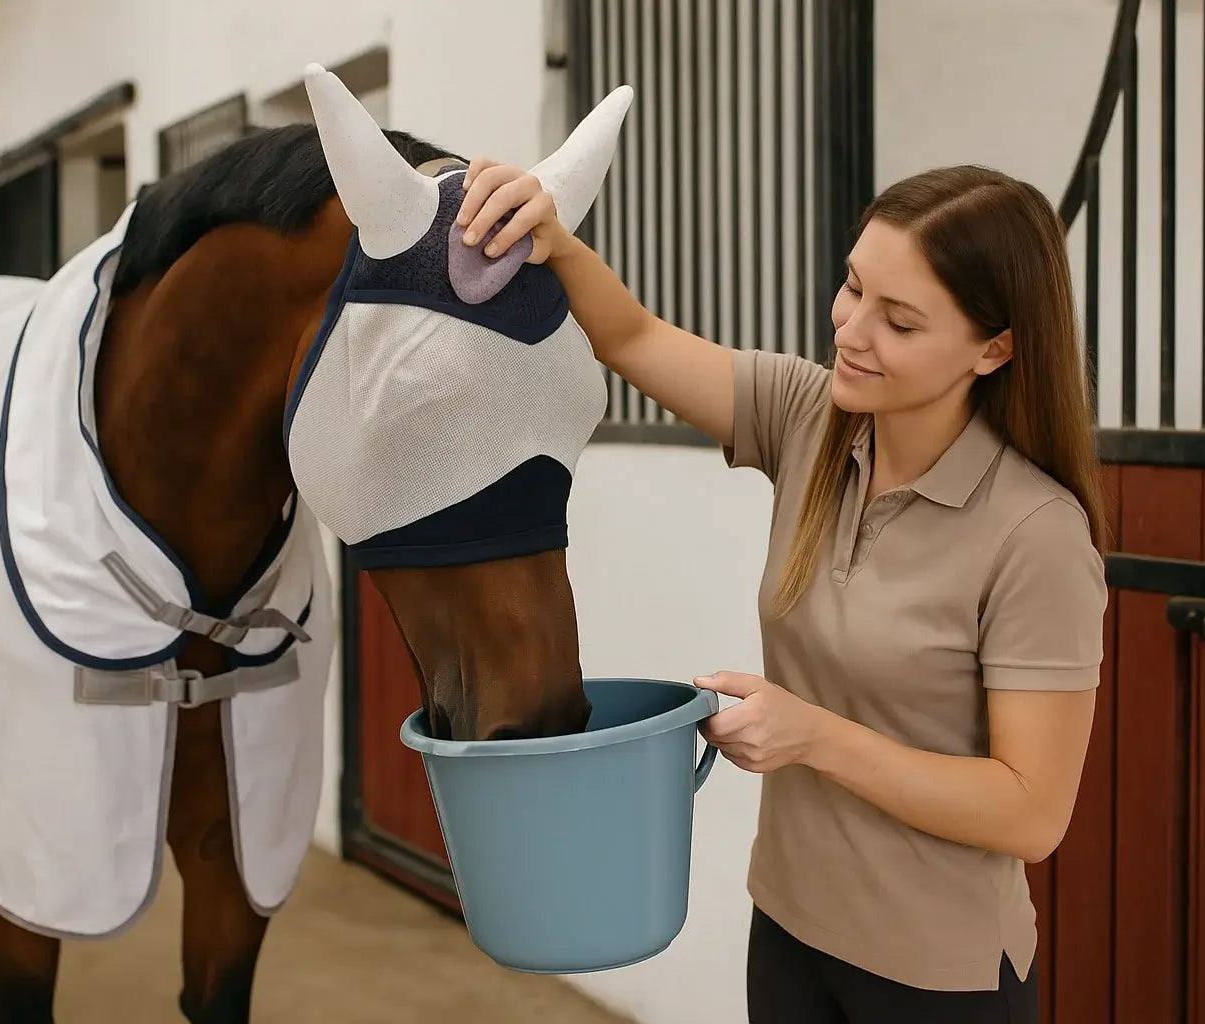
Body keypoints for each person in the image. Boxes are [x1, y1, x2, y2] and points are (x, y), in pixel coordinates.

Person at [453, 159, 1107, 1024]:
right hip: (793, 934)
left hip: (938, 978)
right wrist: (553, 240)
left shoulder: (1037, 533)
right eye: (853, 287)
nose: (851, 329)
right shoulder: (811, 420)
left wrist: (812, 736)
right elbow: (634, 339)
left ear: (995, 347)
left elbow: (1031, 814)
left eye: (900, 321)